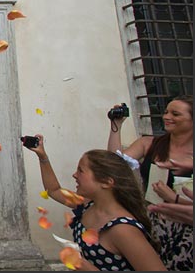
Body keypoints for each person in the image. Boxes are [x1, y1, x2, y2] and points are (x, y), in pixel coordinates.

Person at [26, 135, 166, 271]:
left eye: (81, 171)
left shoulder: (123, 230)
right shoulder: (89, 204)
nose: (74, 175)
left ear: (106, 182)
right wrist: (43, 157)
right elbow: (54, 190)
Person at [107, 95, 193, 270]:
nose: (167, 117)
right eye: (166, 112)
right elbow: (115, 164)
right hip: (154, 225)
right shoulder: (149, 143)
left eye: (175, 114)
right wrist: (116, 127)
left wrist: (173, 198)